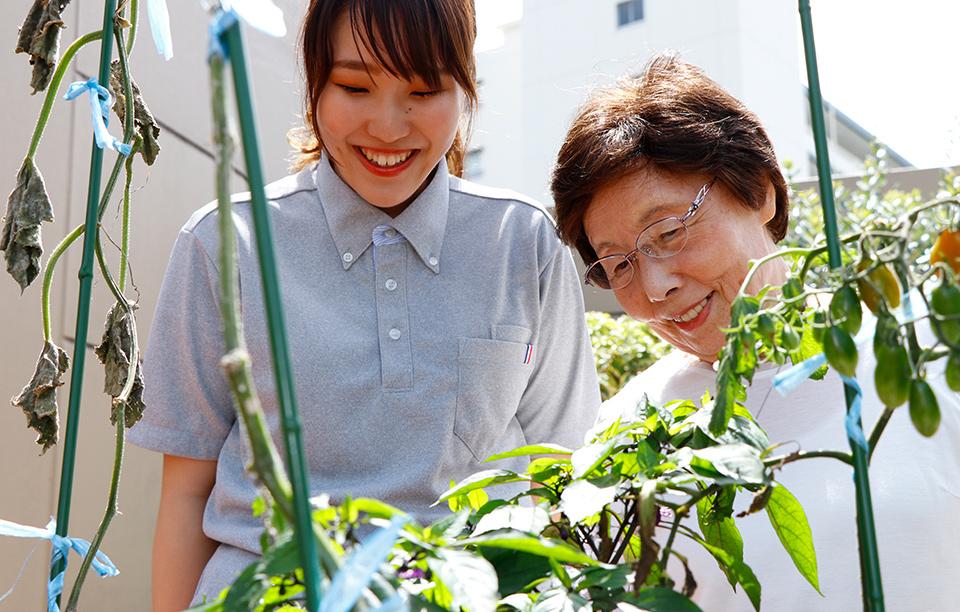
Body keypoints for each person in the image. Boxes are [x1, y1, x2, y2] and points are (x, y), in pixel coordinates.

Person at [129, 1, 601, 609]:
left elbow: (563, 470)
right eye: (355, 85)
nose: (387, 126)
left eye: (424, 89)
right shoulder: (225, 242)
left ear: (465, 91)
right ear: (314, 85)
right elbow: (187, 494)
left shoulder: (523, 241)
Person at [550, 52, 960, 611]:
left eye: (667, 232)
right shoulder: (620, 435)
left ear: (761, 192)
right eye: (618, 264)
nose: (654, 286)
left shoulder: (922, 352)